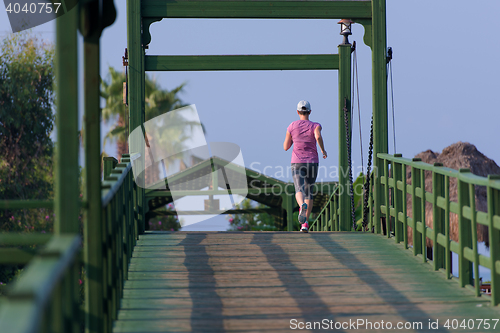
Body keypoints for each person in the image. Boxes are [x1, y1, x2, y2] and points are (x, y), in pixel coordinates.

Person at [283, 100, 327, 232]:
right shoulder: (316, 125)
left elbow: (285, 147)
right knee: (309, 192)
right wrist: (323, 150)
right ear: (310, 112)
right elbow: (318, 136)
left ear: (297, 112)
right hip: (312, 162)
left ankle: (301, 206)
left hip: (297, 162)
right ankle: (305, 224)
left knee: (299, 189)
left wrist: (294, 138)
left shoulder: (291, 126)